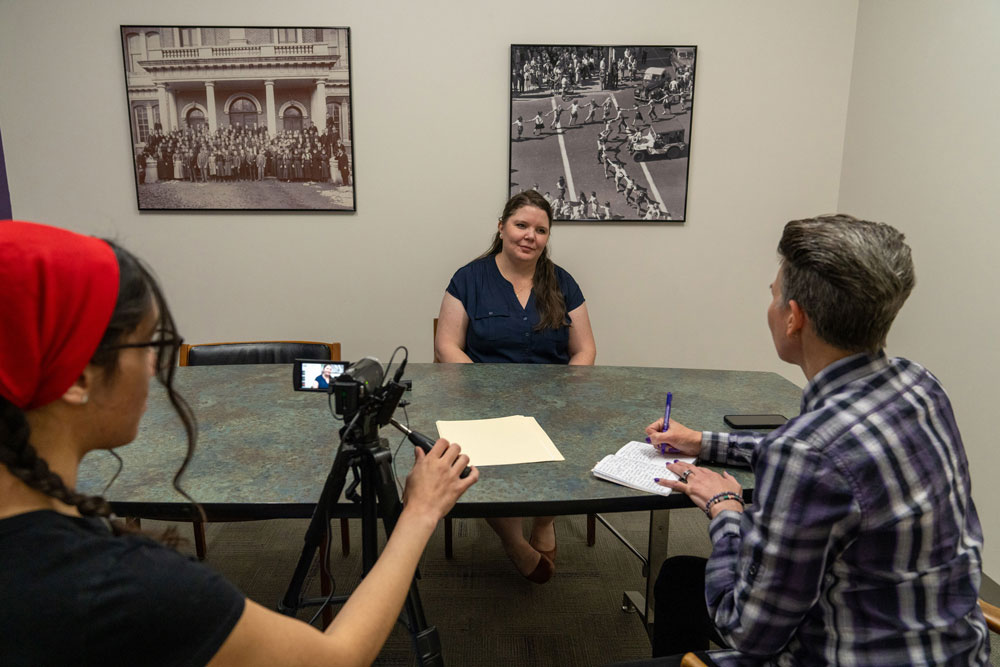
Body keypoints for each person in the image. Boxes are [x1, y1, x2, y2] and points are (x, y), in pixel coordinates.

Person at [0, 220, 479, 666]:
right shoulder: (132, 588)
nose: (155, 368)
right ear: (77, 378)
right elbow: (335, 657)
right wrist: (420, 511)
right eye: (147, 346)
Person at [619, 215, 989, 666]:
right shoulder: (919, 385)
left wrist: (725, 511)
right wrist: (704, 442)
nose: (771, 304)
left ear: (794, 318)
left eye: (774, 295)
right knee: (680, 578)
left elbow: (746, 628)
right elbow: (840, 461)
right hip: (952, 649)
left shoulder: (805, 454)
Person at [434, 192, 596, 584]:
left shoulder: (562, 282)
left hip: (552, 399)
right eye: (521, 225)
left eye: (540, 230)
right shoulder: (468, 279)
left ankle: (543, 522)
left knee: (570, 441)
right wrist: (485, 389)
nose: (530, 236)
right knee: (483, 456)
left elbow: (585, 349)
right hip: (481, 398)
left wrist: (567, 392)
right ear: (502, 226)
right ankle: (512, 539)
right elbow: (446, 345)